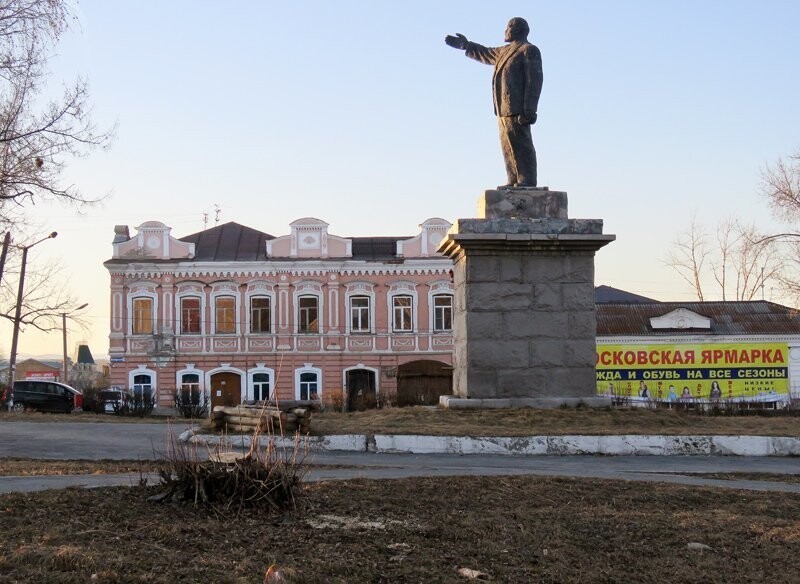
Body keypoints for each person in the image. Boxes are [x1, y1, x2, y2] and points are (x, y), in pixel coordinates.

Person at [445, 17, 543, 188]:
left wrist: (529, 110)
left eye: (508, 28)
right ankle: (513, 178)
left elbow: (534, 81)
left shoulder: (529, 50)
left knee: (522, 145)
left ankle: (526, 180)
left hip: (519, 109)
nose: (505, 31)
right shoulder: (504, 51)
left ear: (518, 30)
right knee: (507, 145)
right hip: (502, 107)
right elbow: (486, 53)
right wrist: (466, 46)